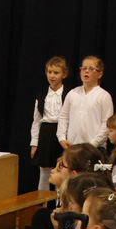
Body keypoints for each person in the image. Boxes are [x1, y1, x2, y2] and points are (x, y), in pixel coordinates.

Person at [29, 56, 68, 192]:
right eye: (49, 72)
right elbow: (36, 121)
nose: (52, 76)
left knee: (61, 173)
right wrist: (34, 143)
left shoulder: (68, 95)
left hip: (61, 134)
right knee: (44, 174)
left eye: (56, 73)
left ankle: (59, 202)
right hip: (45, 134)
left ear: (64, 74)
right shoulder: (41, 96)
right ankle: (43, 202)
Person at [57, 56, 112, 151]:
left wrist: (93, 144)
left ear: (100, 74)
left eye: (91, 69)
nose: (86, 71)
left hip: (94, 148)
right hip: (72, 146)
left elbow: (106, 123)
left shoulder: (103, 96)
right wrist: (61, 138)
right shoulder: (73, 93)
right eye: (84, 68)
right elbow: (63, 116)